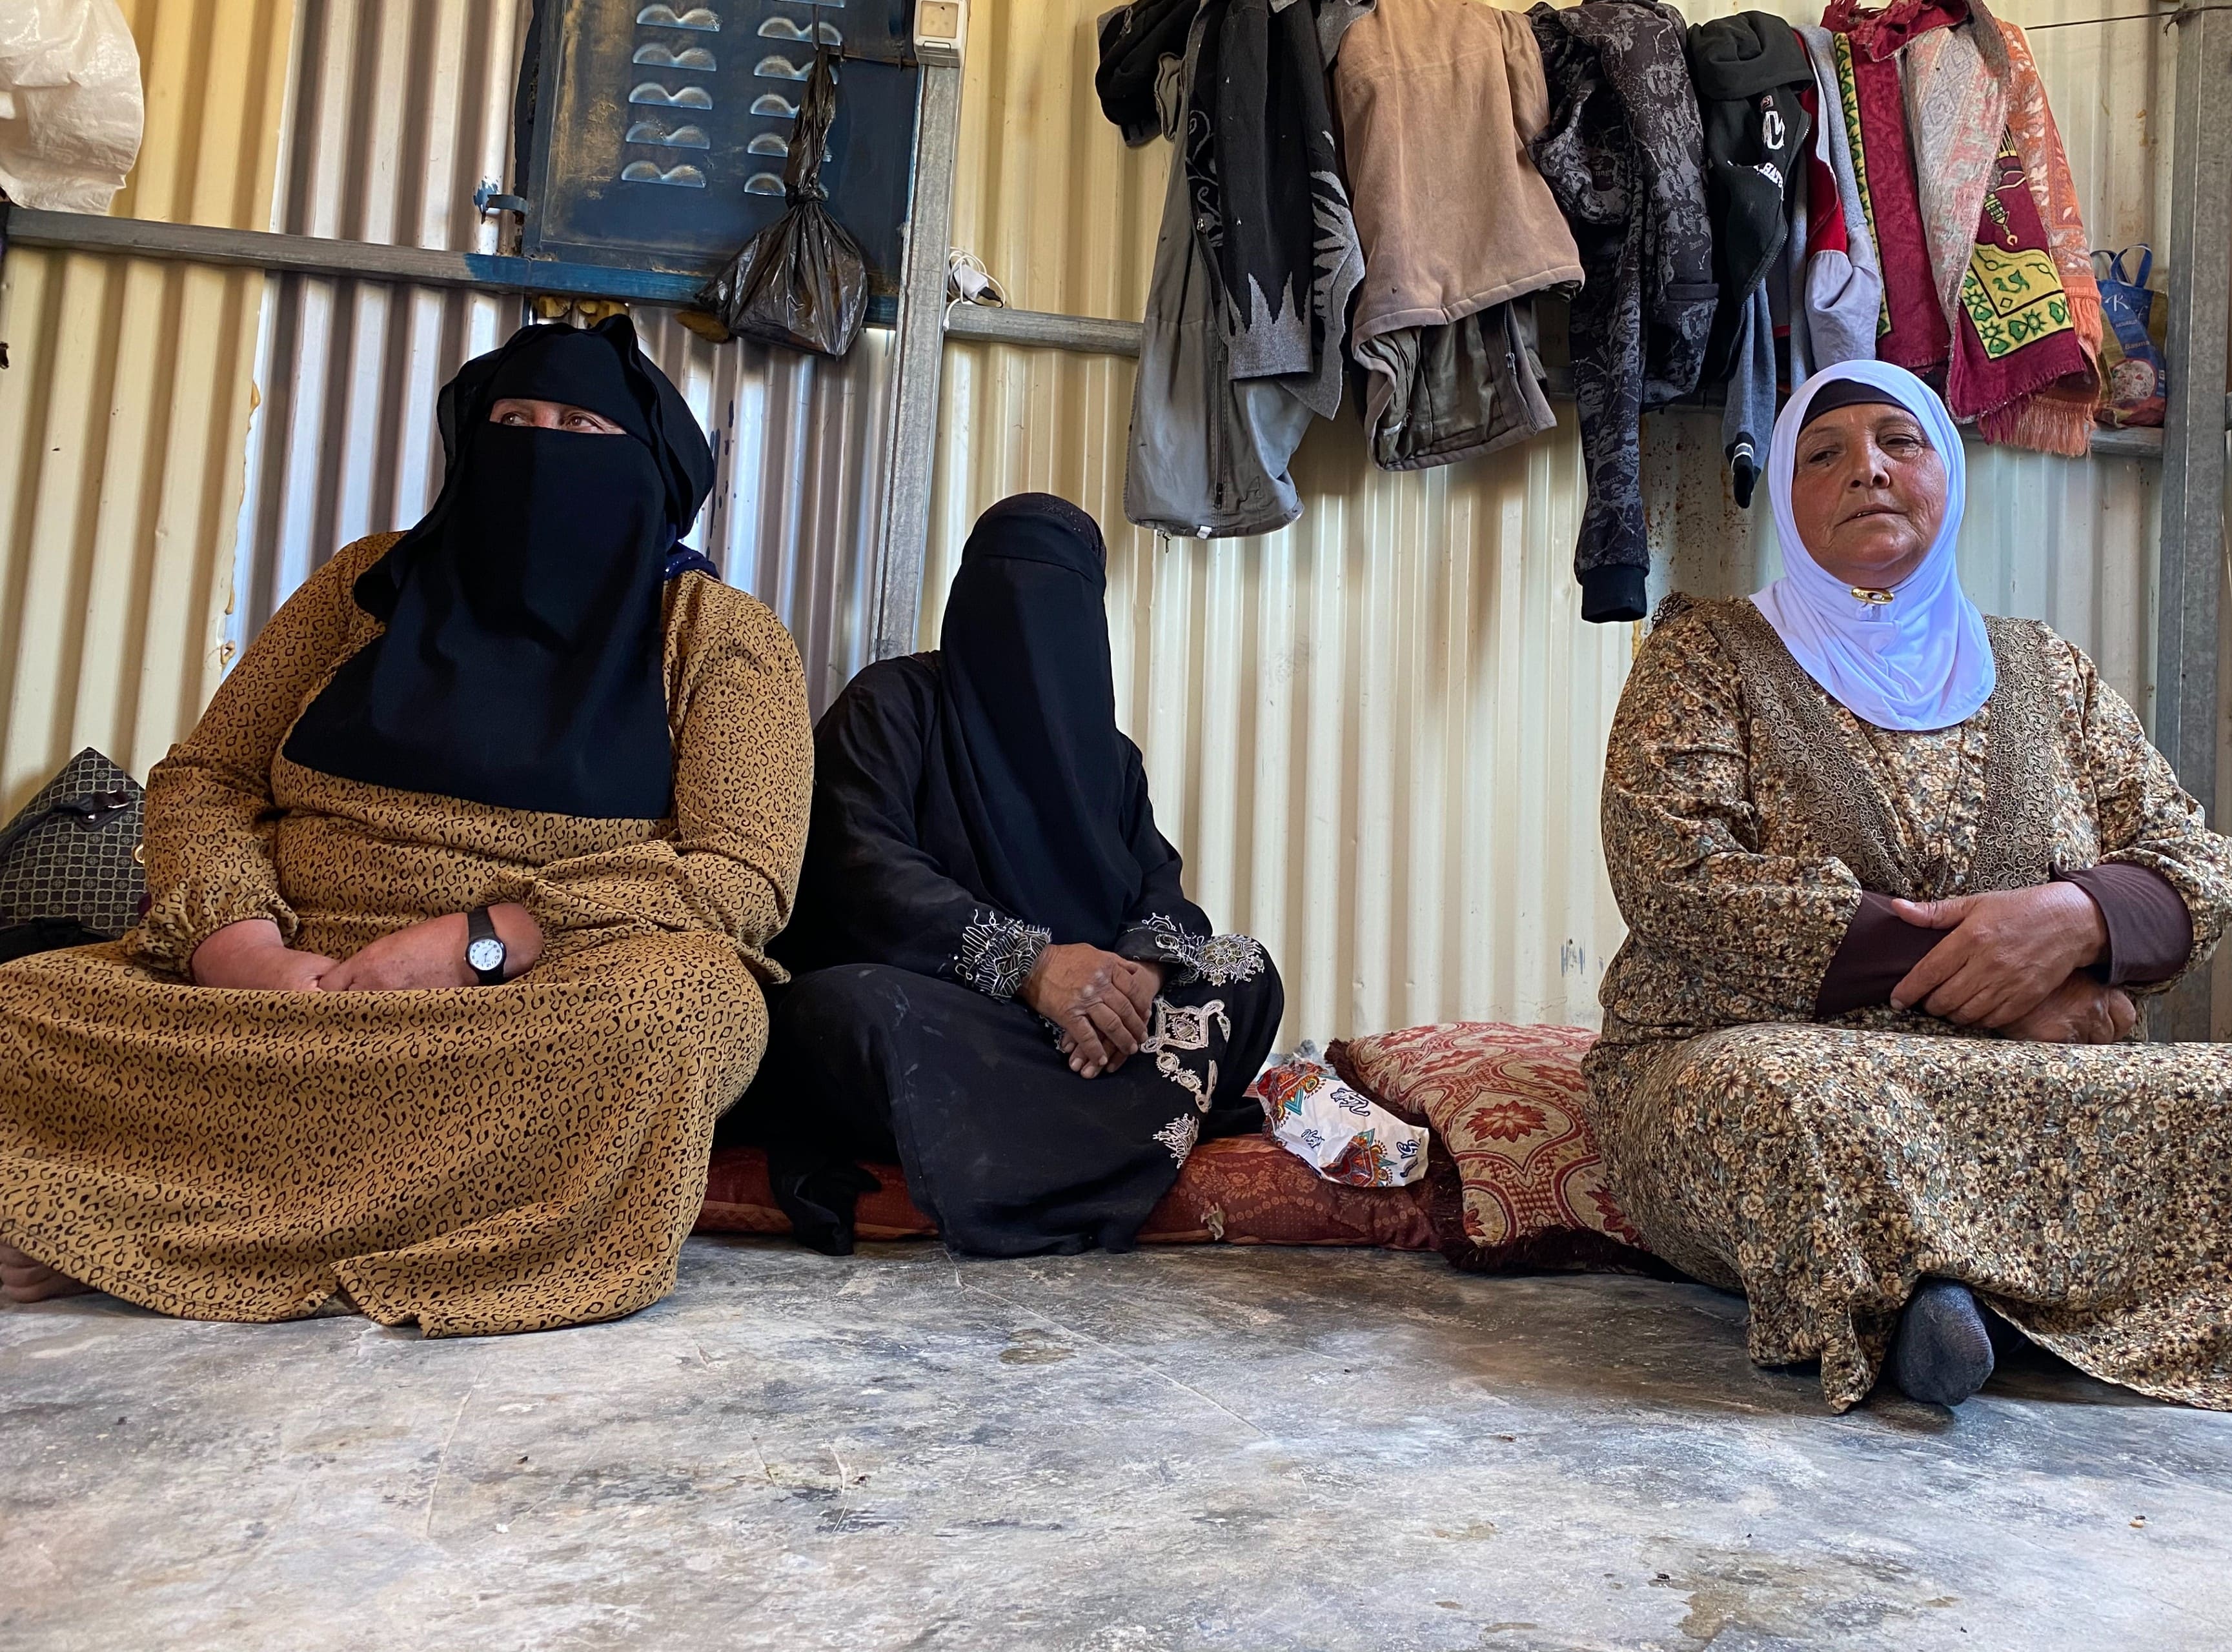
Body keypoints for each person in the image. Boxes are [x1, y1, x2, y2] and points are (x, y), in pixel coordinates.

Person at [1584, 358, 2232, 1427]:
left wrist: (2075, 922)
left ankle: (1954, 1297)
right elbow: (1677, 876)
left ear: (1948, 474)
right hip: (1776, 1064)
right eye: (1824, 454)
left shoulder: (2043, 671)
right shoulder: (1707, 654)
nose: (1865, 467)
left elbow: (2195, 865)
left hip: (2019, 1085)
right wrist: (2001, 986)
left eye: (1898, 442)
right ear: (1785, 493)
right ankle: (1978, 1295)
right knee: (1787, 1101)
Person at [0, 317, 813, 1333]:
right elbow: (207, 775)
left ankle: (124, 1221)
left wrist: (482, 940)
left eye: (578, 427)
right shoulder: (365, 587)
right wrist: (238, 943)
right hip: (296, 969)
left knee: (680, 1014)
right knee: (18, 1009)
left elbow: (741, 874)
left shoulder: (719, 636)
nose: (539, 447)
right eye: (513, 420)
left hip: (541, 990)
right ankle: (188, 1213)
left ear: (651, 471)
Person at [730, 493, 1282, 1256]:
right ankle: (1124, 1127)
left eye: (1056, 593)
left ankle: (1042, 1136)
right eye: (1005, 583)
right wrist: (1034, 968)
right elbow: (859, 867)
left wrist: (1134, 981)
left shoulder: (1111, 760)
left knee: (1245, 967)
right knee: (851, 1012)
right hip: (950, 1009)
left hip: (1075, 1030)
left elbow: (1161, 886)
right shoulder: (890, 704)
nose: (1029, 617)